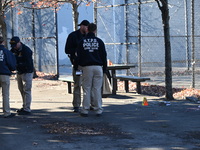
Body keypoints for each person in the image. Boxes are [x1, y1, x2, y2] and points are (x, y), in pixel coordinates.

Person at [75, 23, 107, 117]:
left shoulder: (82, 41)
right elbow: (104, 56)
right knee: (97, 89)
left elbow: (78, 56)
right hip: (98, 67)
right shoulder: (99, 41)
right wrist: (104, 69)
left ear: (87, 29)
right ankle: (98, 109)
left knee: (86, 89)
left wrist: (76, 68)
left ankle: (85, 109)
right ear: (95, 30)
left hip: (86, 67)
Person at [65, 20, 90, 112]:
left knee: (87, 85)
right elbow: (67, 50)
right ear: (82, 26)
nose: (87, 29)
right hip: (77, 65)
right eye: (86, 27)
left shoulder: (89, 36)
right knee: (77, 84)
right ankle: (76, 104)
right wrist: (76, 51)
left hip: (87, 64)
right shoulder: (73, 36)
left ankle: (87, 104)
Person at [10, 36, 34, 115]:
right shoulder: (13, 50)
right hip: (19, 72)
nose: (14, 47)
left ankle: (27, 109)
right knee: (21, 90)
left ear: (19, 43)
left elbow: (28, 63)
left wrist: (17, 64)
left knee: (27, 90)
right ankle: (24, 106)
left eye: (15, 45)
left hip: (27, 72)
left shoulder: (26, 50)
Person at [0, 36, 16, 118]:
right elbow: (12, 64)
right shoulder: (6, 52)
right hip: (4, 74)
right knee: (5, 94)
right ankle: (6, 112)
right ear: (3, 42)